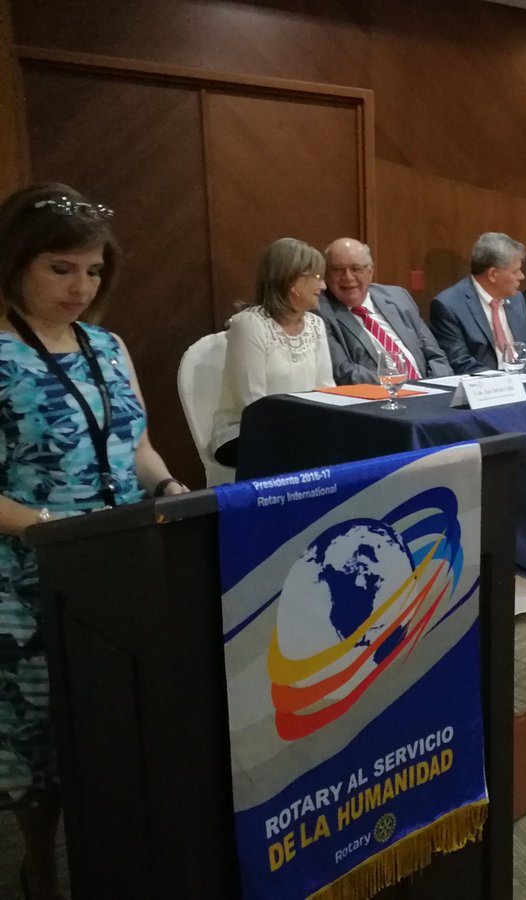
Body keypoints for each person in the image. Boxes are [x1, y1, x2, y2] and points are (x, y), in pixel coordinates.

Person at [0, 183, 188, 900]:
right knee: (40, 740)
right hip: (29, 574)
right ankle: (40, 862)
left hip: (118, 561)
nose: (81, 287)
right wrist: (55, 532)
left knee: (116, 724)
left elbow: (132, 440)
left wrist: (169, 486)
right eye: (61, 268)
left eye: (94, 271)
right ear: (16, 262)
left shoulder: (107, 346)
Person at [210, 238, 334, 465]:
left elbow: (325, 389)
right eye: (317, 277)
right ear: (292, 281)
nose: (324, 286)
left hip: (301, 430)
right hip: (244, 432)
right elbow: (253, 404)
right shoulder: (249, 324)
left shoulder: (316, 325)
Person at [317, 237, 451, 384]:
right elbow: (344, 372)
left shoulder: (398, 297)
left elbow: (436, 355)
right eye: (337, 270)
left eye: (356, 269)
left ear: (370, 271)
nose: (348, 277)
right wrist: (401, 385)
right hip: (377, 399)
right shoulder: (321, 312)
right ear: (327, 274)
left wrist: (437, 388)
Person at [429, 232, 526, 374]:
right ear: (493, 274)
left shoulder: (517, 299)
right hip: (485, 389)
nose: (521, 276)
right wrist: (506, 383)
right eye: (515, 271)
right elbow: (460, 362)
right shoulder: (449, 305)